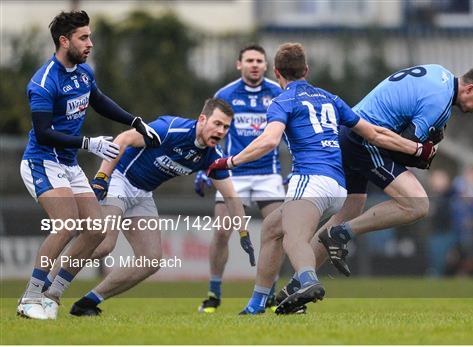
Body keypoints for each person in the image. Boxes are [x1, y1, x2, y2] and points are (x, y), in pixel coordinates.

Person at [207, 43, 435, 314]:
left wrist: (229, 161)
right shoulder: (331, 98)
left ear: (277, 73)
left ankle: (307, 282)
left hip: (310, 181)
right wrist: (416, 149)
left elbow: (268, 141)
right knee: (271, 229)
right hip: (339, 187)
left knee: (294, 239)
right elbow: (372, 133)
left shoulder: (283, 100)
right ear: (306, 70)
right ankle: (256, 305)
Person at [275, 64, 473, 306]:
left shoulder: (439, 73)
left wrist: (421, 149)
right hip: (364, 140)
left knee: (350, 209)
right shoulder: (439, 100)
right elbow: (407, 144)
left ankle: (300, 282)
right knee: (418, 204)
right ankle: (341, 234)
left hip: (351, 133)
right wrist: (421, 151)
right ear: (470, 88)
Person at [17, 10, 159, 320]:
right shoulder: (43, 82)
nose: (90, 43)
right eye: (84, 38)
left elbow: (98, 99)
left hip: (67, 163)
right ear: (64, 41)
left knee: (96, 231)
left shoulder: (84, 73)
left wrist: (135, 121)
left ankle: (53, 294)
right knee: (67, 225)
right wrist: (88, 143)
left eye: (90, 37)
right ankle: (29, 300)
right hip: (41, 161)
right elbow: (43, 132)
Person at [68, 98, 254, 316]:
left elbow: (231, 197)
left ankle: (87, 303)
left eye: (225, 127)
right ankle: (45, 283)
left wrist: (243, 232)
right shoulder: (170, 129)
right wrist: (102, 177)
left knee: (151, 260)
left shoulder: (212, 156)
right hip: (120, 178)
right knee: (104, 244)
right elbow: (124, 138)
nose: (221, 131)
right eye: (217, 124)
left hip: (142, 194)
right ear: (202, 119)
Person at [194, 44, 284, 314]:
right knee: (222, 231)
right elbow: (207, 130)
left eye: (259, 60)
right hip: (234, 175)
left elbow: (290, 132)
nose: (254, 64)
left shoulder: (277, 93)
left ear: (266, 65)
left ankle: (269, 293)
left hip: (269, 174)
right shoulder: (226, 94)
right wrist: (203, 167)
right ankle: (214, 292)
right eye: (249, 60)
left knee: (278, 232)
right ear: (239, 64)